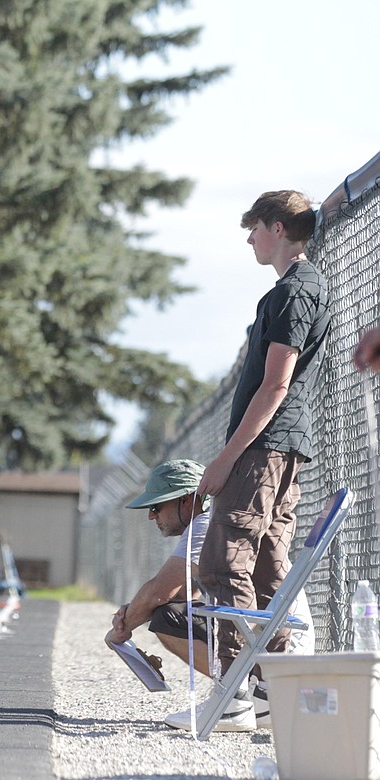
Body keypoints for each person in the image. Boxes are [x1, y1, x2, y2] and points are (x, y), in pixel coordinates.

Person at [177, 190, 330, 733]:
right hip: (280, 446)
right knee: (267, 569)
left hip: (264, 448)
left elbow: (276, 382)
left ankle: (234, 694)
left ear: (279, 228)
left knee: (222, 562)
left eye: (255, 228)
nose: (249, 239)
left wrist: (225, 459)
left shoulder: (294, 291)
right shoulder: (295, 289)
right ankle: (272, 693)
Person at [108, 460, 314, 732]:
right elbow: (179, 594)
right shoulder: (212, 521)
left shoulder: (207, 524)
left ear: (187, 500)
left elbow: (159, 594)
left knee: (165, 617)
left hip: (280, 646)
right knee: (170, 612)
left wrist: (120, 631)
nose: (151, 515)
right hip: (281, 641)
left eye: (156, 506)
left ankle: (234, 695)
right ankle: (250, 695)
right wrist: (133, 609)